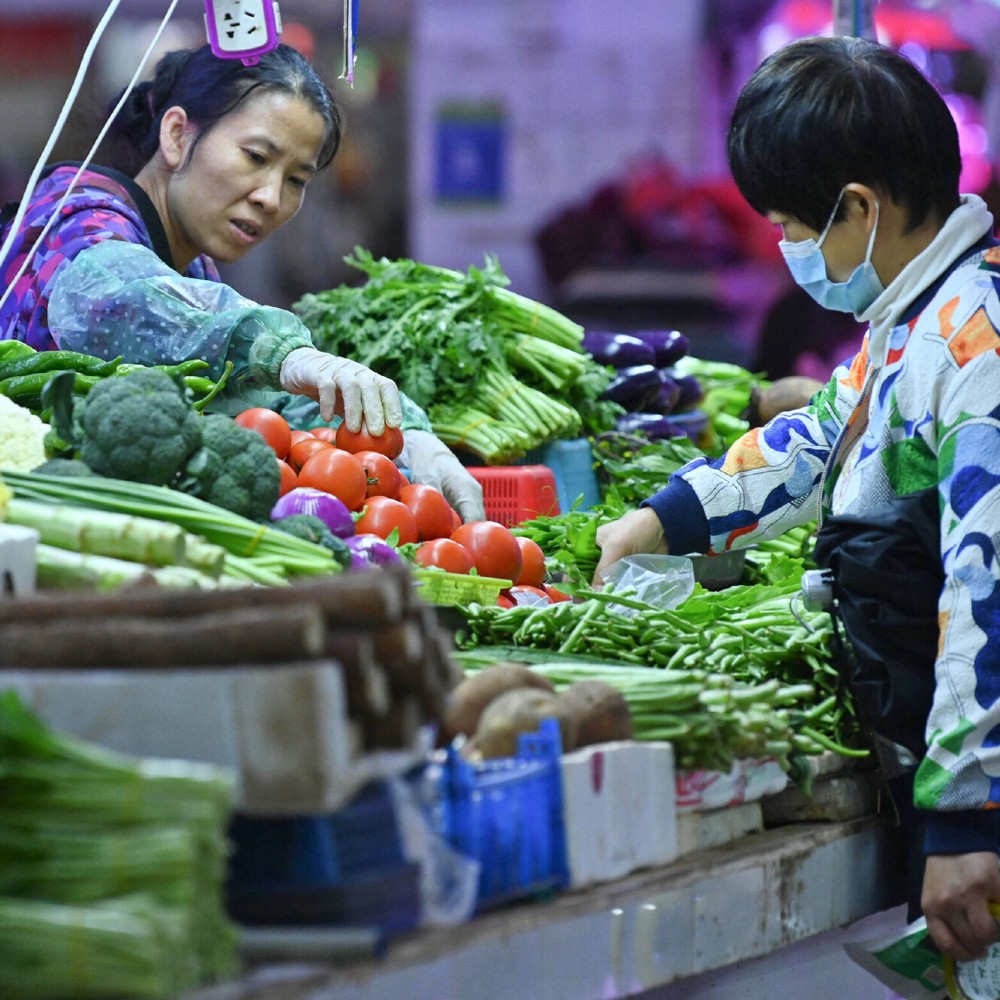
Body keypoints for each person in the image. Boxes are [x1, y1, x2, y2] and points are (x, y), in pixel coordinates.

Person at [592, 34, 1000, 964]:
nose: (784, 248)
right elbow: (816, 438)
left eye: (790, 225)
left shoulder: (974, 350)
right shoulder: (916, 324)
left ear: (859, 207)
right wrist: (662, 518)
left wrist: (968, 818)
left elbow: (988, 591)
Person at [0, 43, 484, 521]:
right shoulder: (75, 218)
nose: (271, 197)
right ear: (176, 136)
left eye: (296, 180)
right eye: (255, 156)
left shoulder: (190, 266)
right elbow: (122, 296)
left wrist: (403, 432)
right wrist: (281, 352)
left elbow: (265, 399)